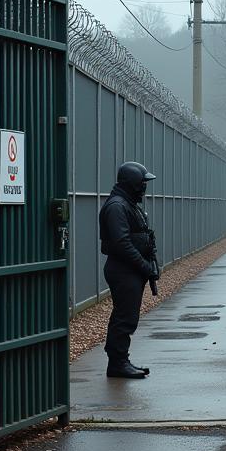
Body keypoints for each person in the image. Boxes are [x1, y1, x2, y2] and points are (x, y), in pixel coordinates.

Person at [99, 161, 159, 379]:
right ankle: (117, 363)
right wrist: (144, 267)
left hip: (130, 270)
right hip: (123, 270)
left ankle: (121, 360)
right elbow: (122, 243)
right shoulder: (117, 206)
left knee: (127, 316)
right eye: (142, 182)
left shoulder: (127, 204)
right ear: (132, 183)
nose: (144, 186)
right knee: (124, 318)